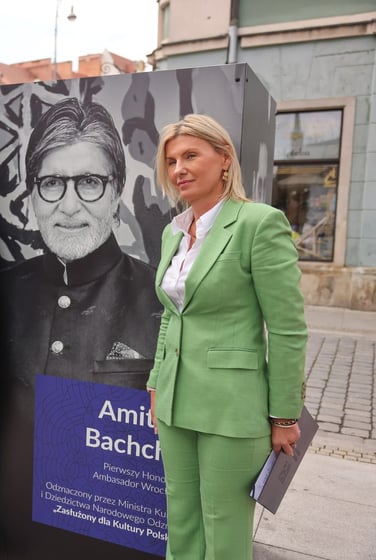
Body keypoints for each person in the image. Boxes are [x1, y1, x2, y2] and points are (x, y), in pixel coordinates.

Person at [0, 97, 164, 556]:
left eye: (90, 183)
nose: (69, 205)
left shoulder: (160, 300)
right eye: (52, 183)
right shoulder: (0, 292)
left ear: (116, 192)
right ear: (32, 196)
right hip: (12, 529)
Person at [146, 114, 307, 560]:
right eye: (172, 159)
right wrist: (157, 383)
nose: (179, 168)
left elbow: (288, 327)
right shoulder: (173, 233)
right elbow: (169, 316)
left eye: (191, 155)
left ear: (224, 159)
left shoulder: (259, 223)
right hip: (176, 403)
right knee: (180, 520)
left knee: (224, 533)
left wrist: (284, 415)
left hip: (233, 407)